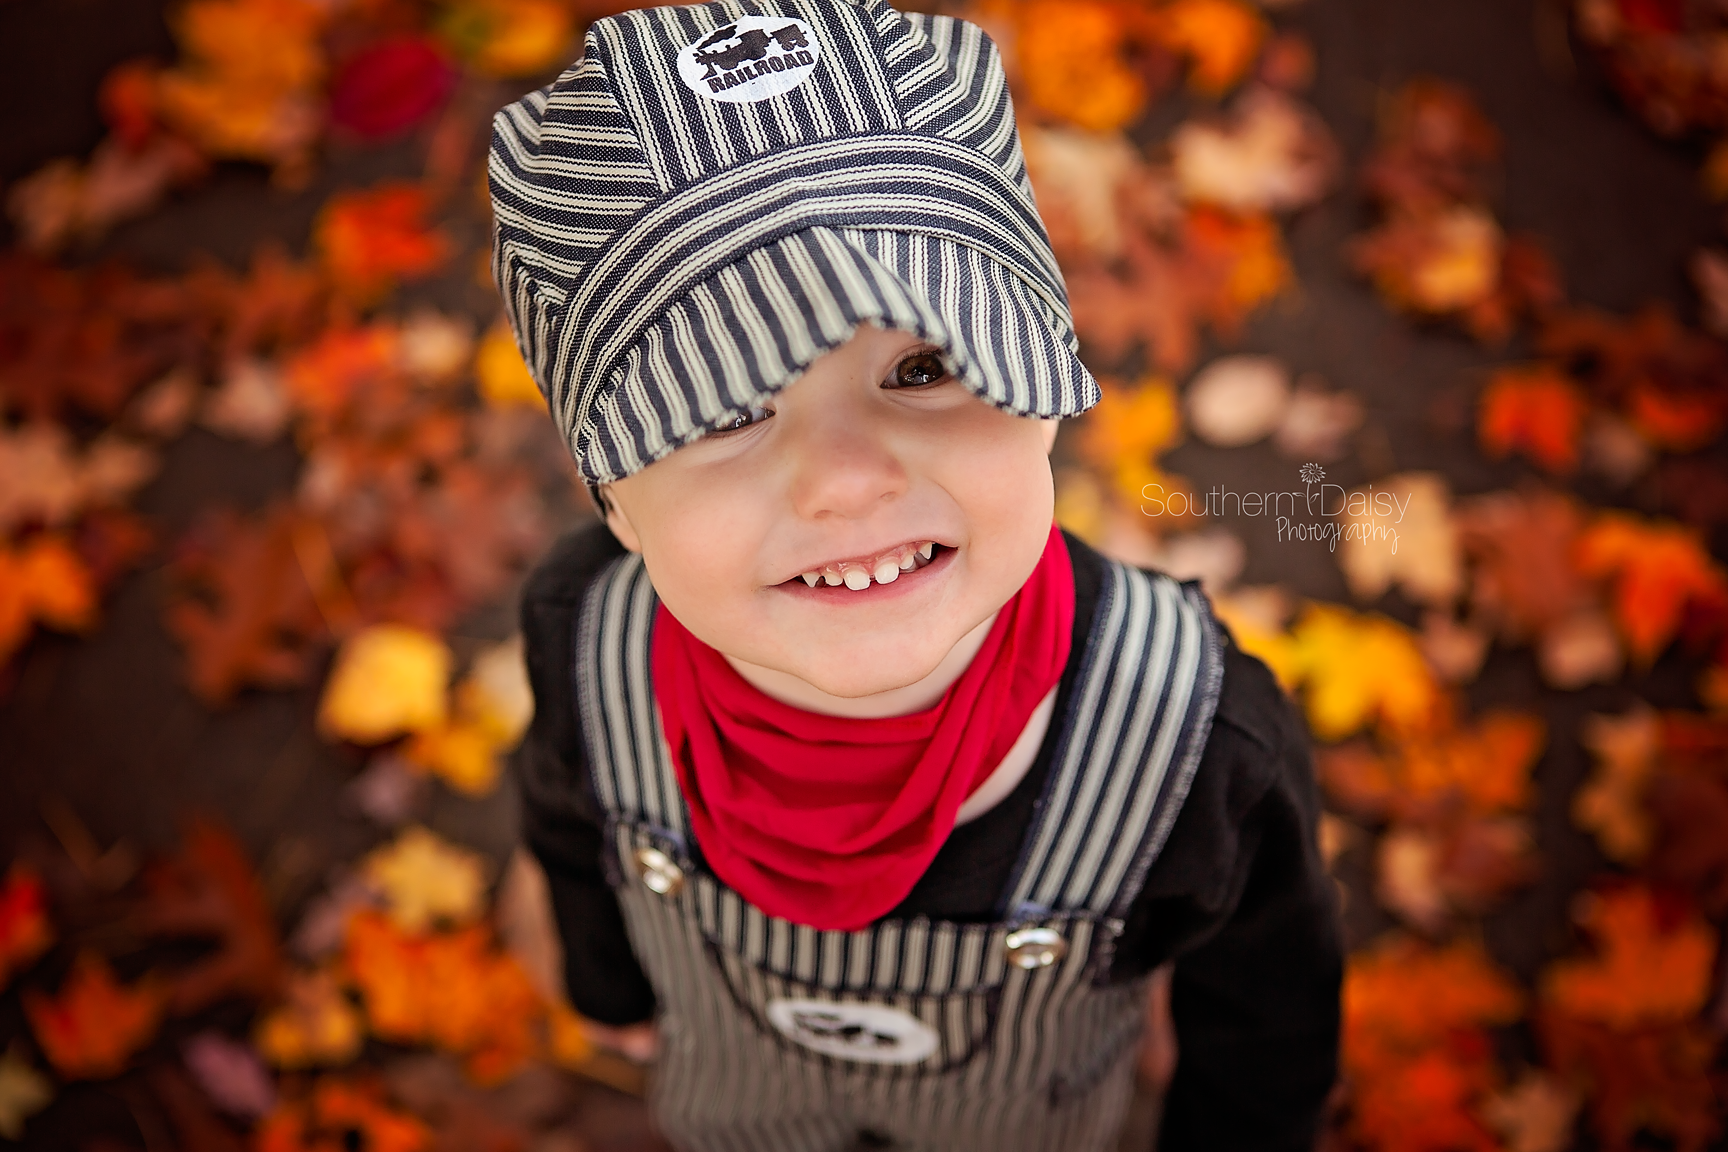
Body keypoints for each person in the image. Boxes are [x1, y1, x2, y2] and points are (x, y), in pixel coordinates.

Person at [491, 2, 1342, 1149]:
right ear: (615, 501)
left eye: (922, 364)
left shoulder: (1194, 744)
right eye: (729, 405)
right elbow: (563, 819)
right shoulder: (583, 637)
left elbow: (1270, 1014)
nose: (844, 481)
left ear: (1040, 385)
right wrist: (607, 988)